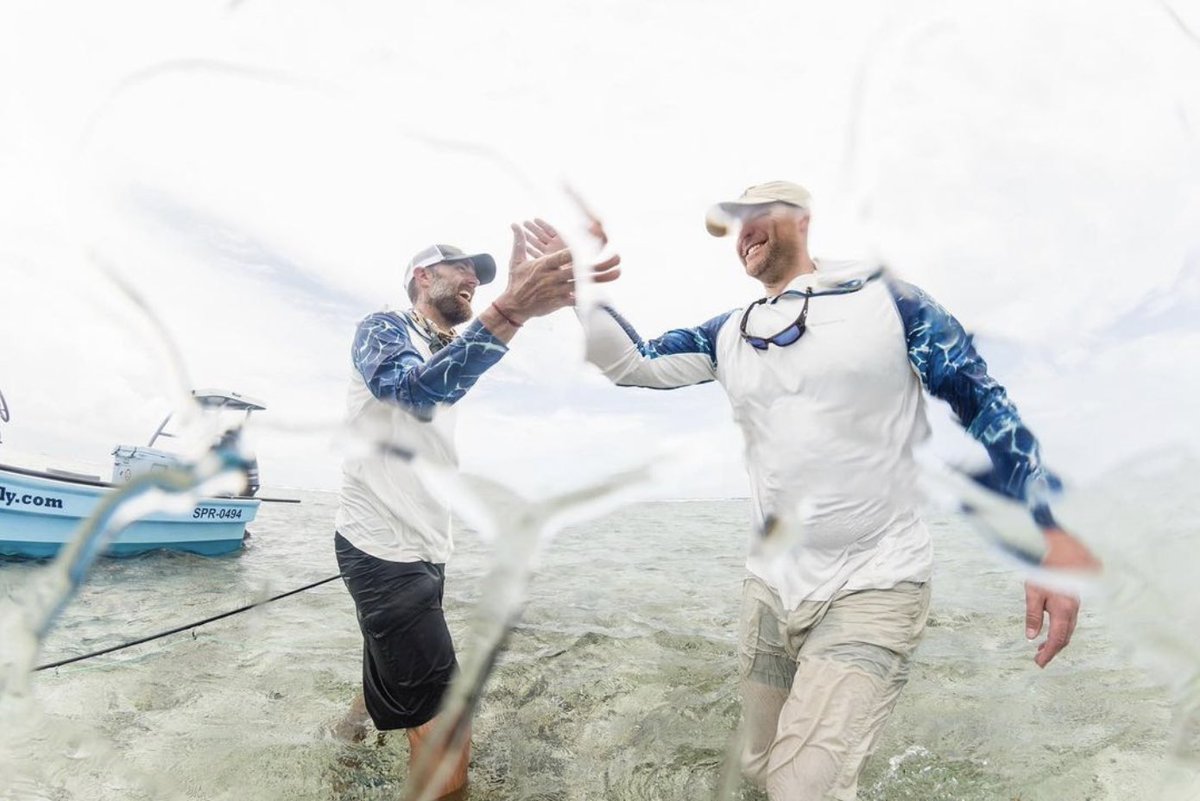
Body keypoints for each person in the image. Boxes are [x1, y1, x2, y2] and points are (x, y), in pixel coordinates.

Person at [565, 181, 1099, 800]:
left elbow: (984, 404)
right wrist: (579, 291)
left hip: (876, 584)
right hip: (769, 590)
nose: (744, 234)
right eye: (733, 227)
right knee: (760, 769)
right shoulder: (729, 331)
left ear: (802, 219)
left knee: (803, 789)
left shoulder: (889, 301)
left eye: (755, 217)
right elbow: (632, 362)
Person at [333, 230, 618, 799]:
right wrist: (511, 308)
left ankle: (341, 752)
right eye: (460, 270)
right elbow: (406, 394)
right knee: (447, 719)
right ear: (422, 277)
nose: (472, 281)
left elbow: (442, 383)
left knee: (389, 665)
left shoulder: (439, 348)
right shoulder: (385, 327)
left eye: (480, 278)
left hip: (423, 546)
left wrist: (528, 308)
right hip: (382, 548)